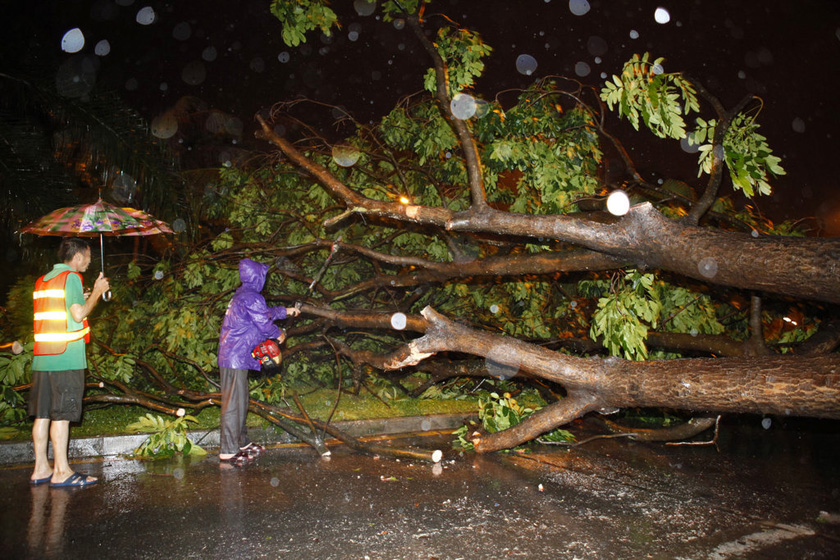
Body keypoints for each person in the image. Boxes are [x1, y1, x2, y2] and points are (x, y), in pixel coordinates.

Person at [30, 238, 109, 487]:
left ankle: (41, 468)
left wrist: (83, 297)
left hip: (43, 358)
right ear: (76, 257)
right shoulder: (72, 278)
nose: (88, 260)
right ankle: (62, 472)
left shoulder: (43, 280)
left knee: (42, 415)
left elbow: (61, 311)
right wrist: (97, 291)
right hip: (66, 357)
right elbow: (78, 314)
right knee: (61, 416)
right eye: (87, 256)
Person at [217, 258, 299, 466]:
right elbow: (264, 322)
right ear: (257, 277)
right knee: (232, 404)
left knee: (241, 401)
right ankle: (228, 451)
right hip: (234, 357)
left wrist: (286, 311)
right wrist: (277, 334)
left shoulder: (246, 295)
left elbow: (264, 313)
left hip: (237, 357)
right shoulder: (251, 297)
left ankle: (241, 442)